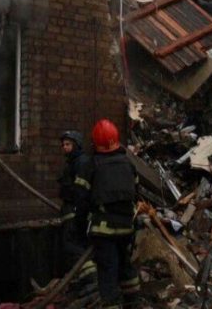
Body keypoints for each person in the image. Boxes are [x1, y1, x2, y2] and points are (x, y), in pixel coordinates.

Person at [74, 119, 139, 308]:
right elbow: (136, 194)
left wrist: (80, 230)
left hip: (104, 231)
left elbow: (80, 200)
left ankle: (111, 304)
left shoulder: (91, 165)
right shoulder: (128, 164)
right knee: (125, 266)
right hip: (127, 228)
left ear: (95, 143)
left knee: (108, 271)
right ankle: (133, 303)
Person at [58, 131, 96, 289]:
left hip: (74, 211)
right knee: (76, 245)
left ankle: (90, 279)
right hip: (71, 209)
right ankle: (84, 277)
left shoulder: (81, 162)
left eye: (68, 144)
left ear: (76, 145)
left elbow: (80, 191)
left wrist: (78, 212)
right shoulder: (73, 162)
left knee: (72, 245)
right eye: (63, 145)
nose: (64, 148)